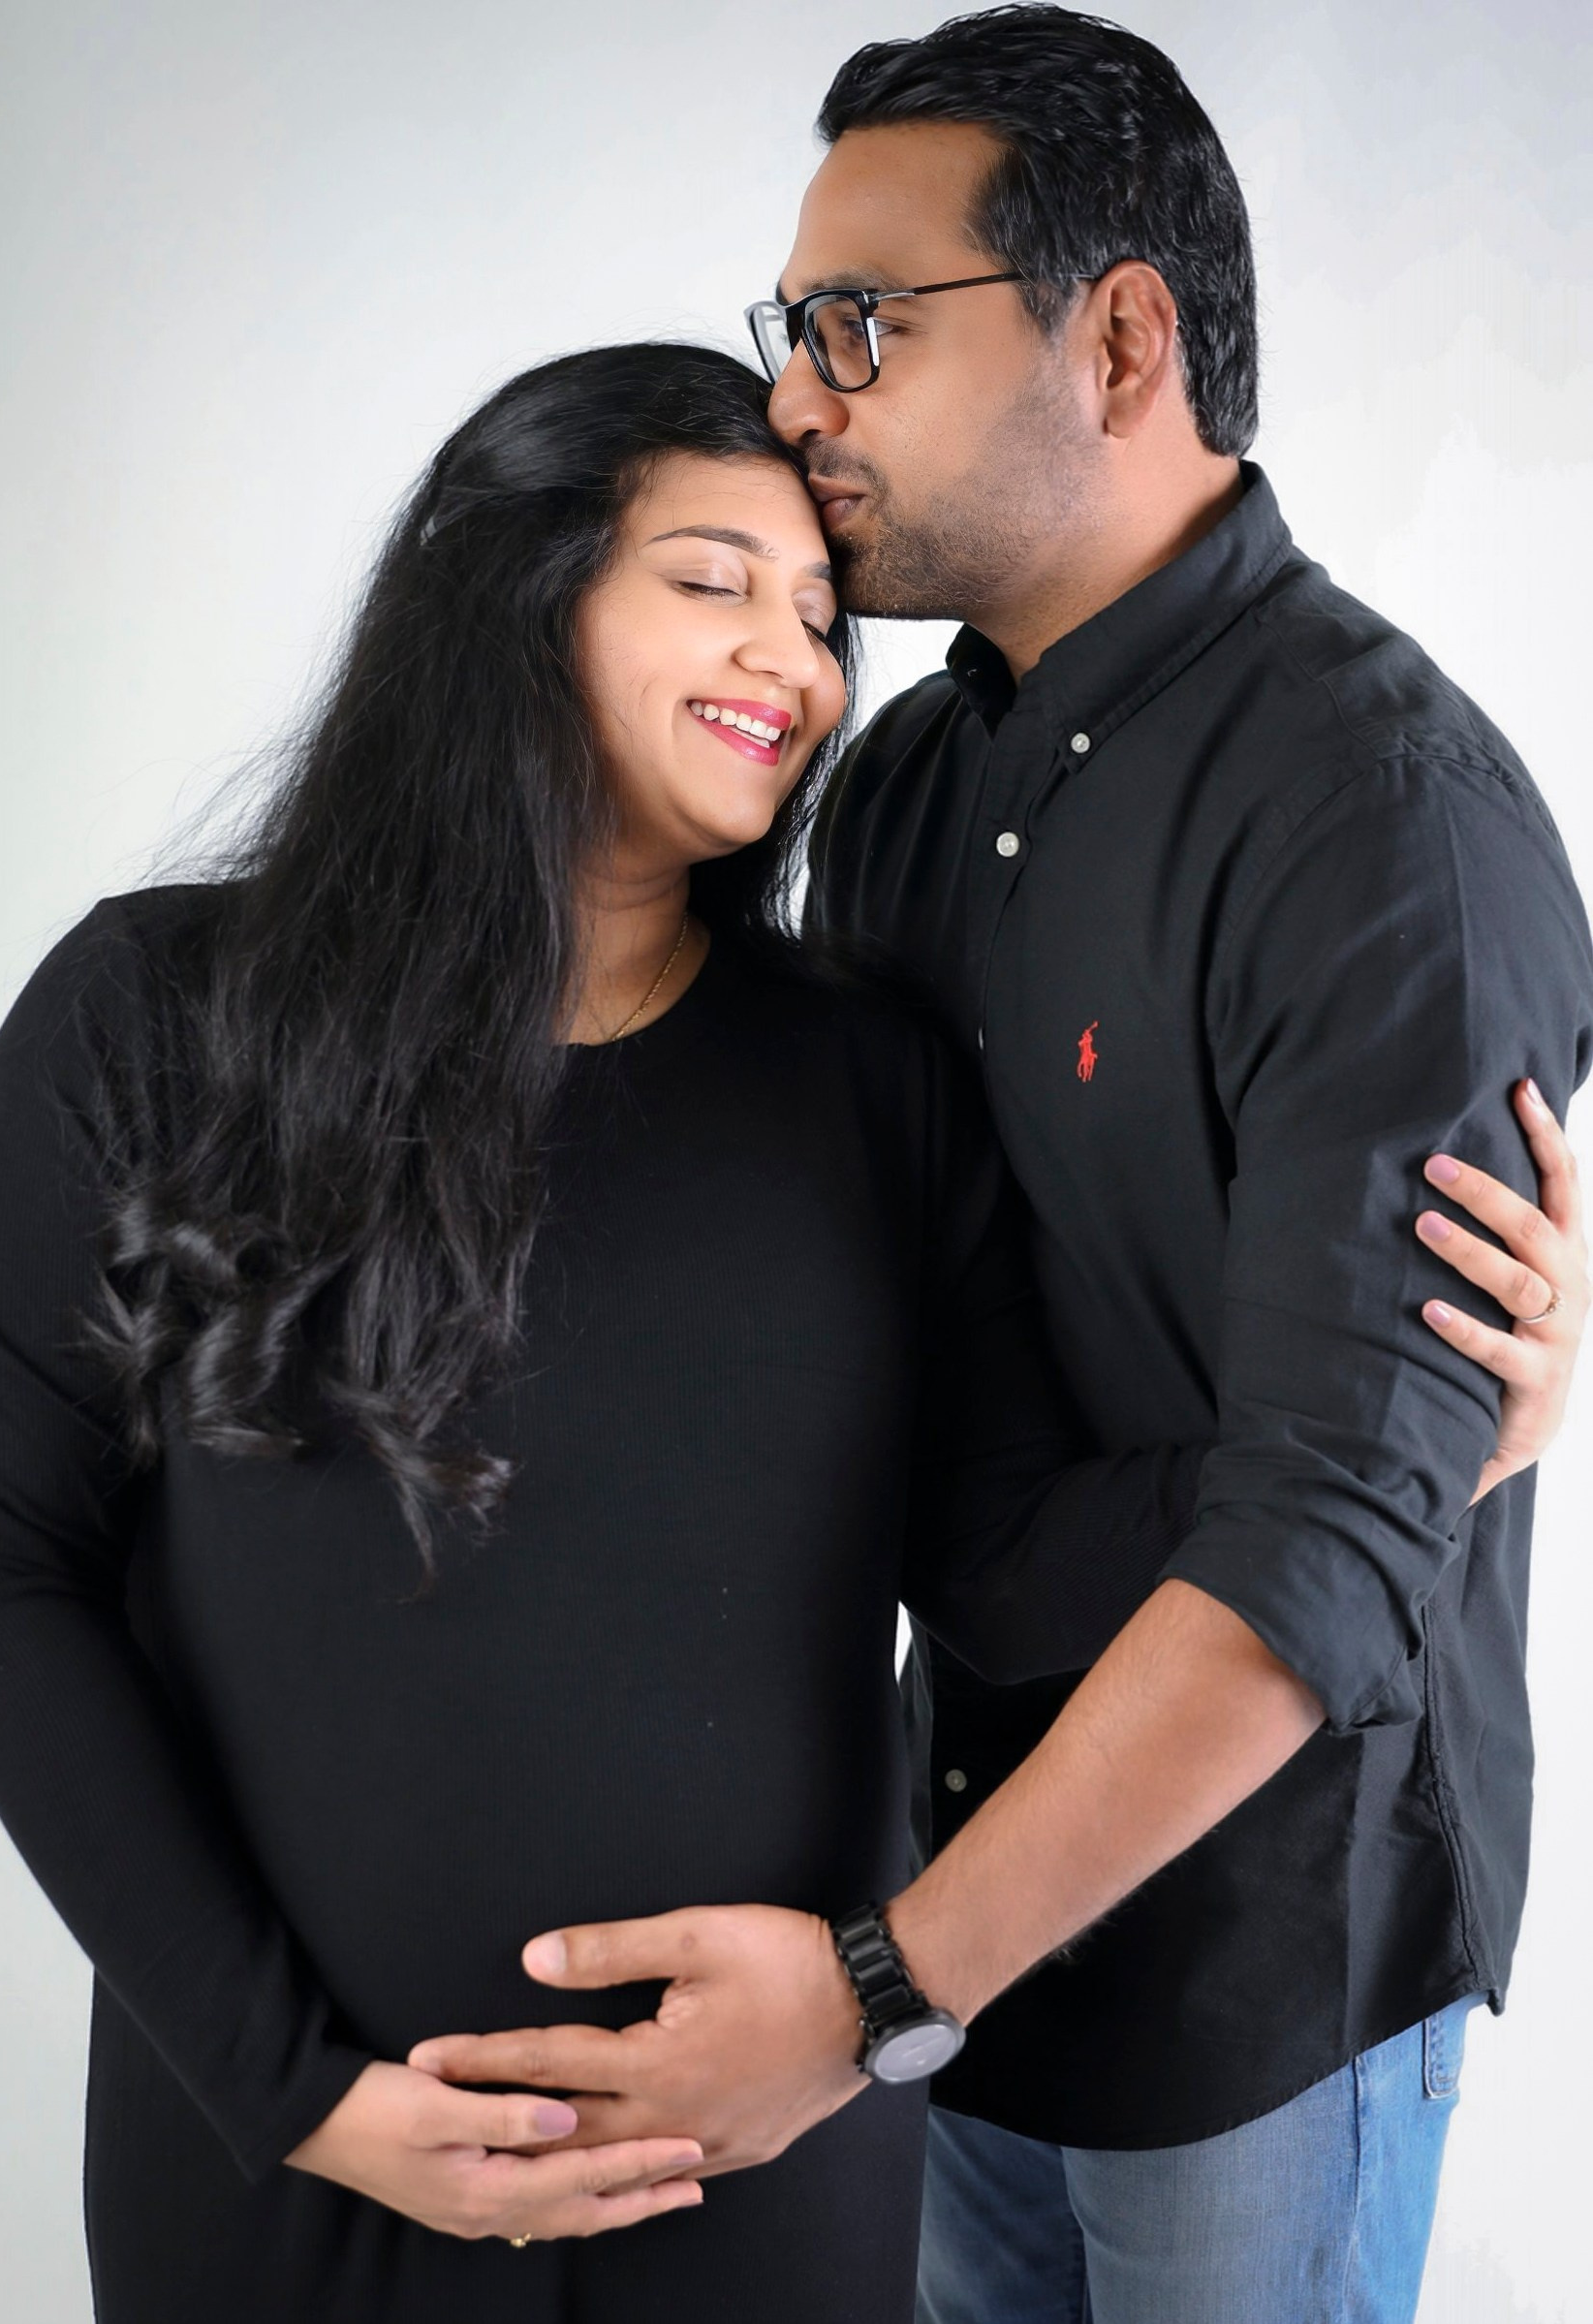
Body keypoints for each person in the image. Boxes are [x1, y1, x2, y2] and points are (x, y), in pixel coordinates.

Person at [0, 339, 1539, 2321]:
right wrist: (290, 2089)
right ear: (511, 593)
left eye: (822, 613)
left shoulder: (865, 1073)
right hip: (288, 2170)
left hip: (757, 2168)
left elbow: (1004, 1559)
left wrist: (1424, 1420)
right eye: (711, 580)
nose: (797, 658)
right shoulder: (152, 1014)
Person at [405, 15, 1593, 2324]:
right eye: (792, 328)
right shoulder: (897, 784)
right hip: (932, 1901)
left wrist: (867, 1991)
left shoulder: (1384, 826)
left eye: (861, 322)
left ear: (1120, 338)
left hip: (1255, 1963)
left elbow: (1323, 1539)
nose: (796, 400)